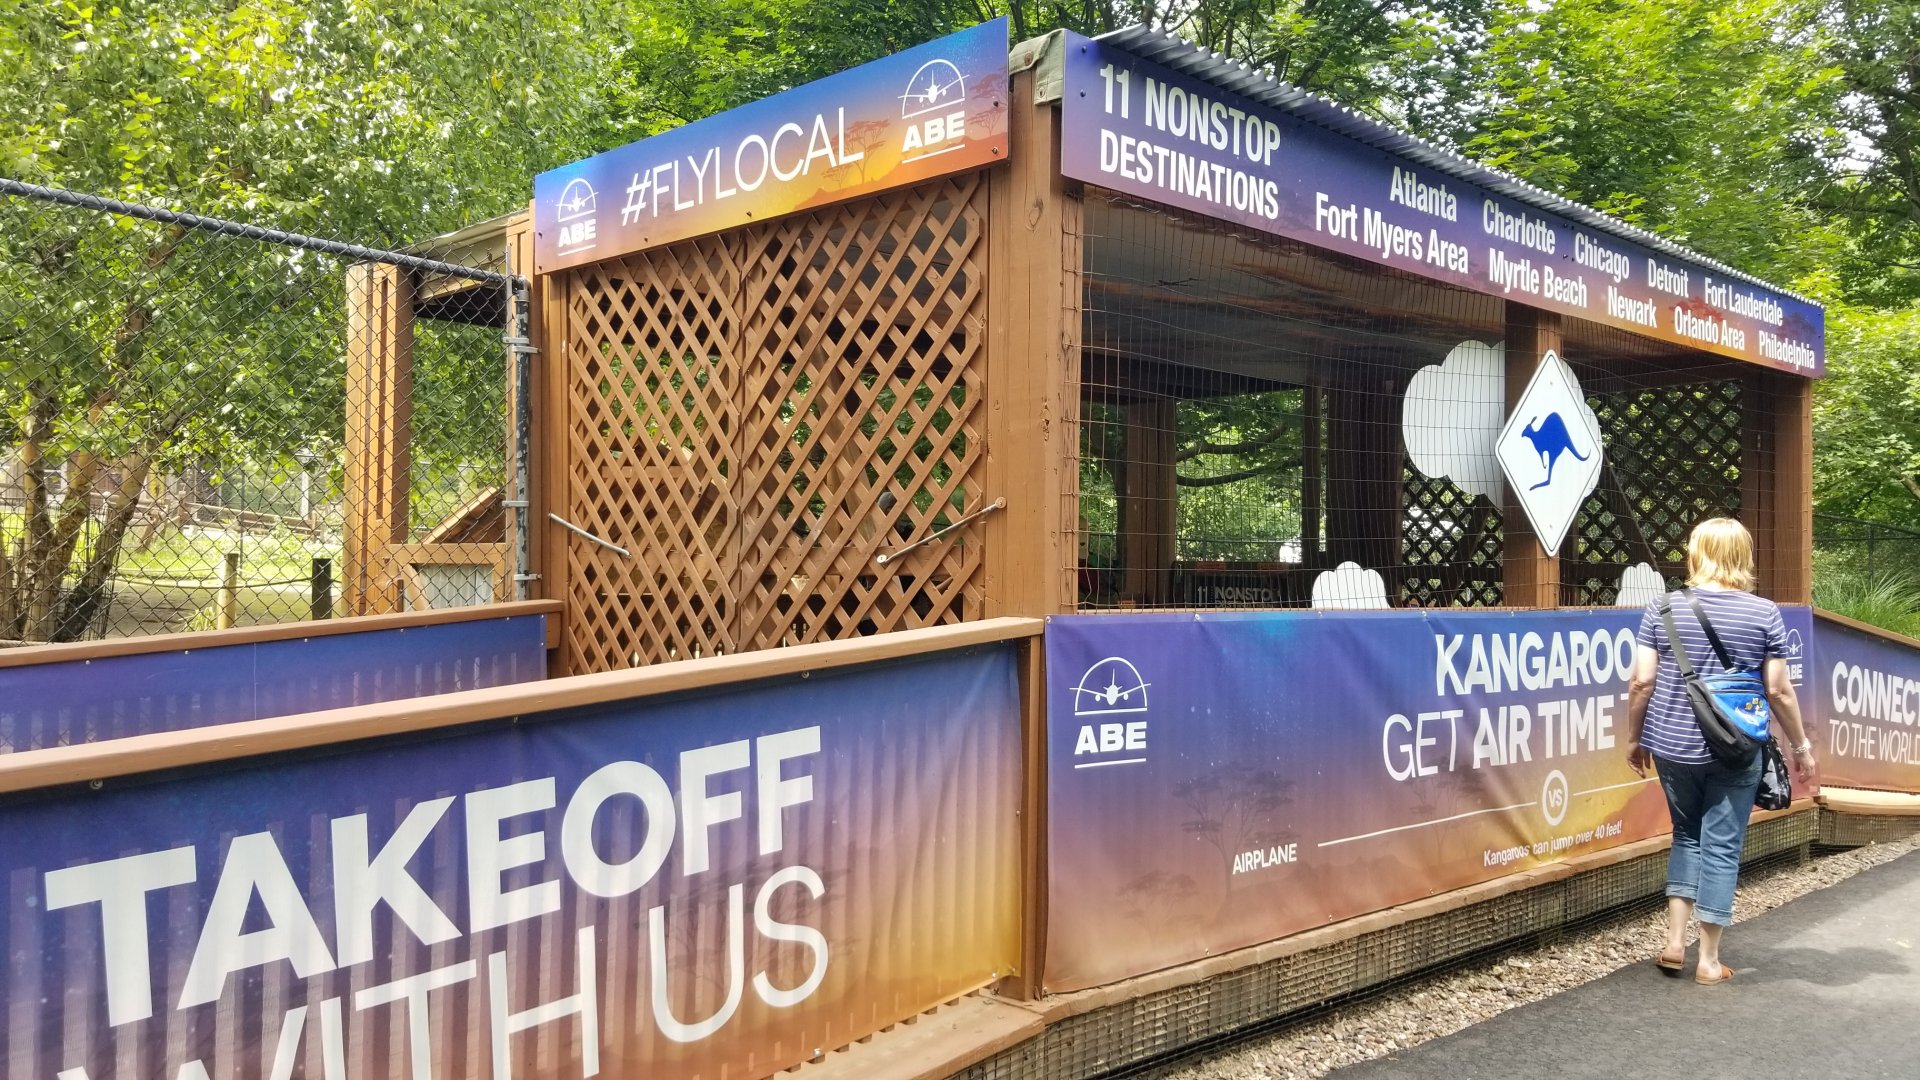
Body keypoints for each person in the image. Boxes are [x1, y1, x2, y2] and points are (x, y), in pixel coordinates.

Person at [1622, 517, 1817, 985]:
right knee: (1722, 847)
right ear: (1743, 557)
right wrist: (1801, 746)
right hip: (1736, 748)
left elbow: (1640, 681)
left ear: (1695, 553)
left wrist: (1634, 737)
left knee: (1686, 835)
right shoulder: (1764, 613)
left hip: (1672, 744)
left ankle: (1673, 942)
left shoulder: (1662, 608)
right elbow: (1779, 690)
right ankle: (1707, 960)